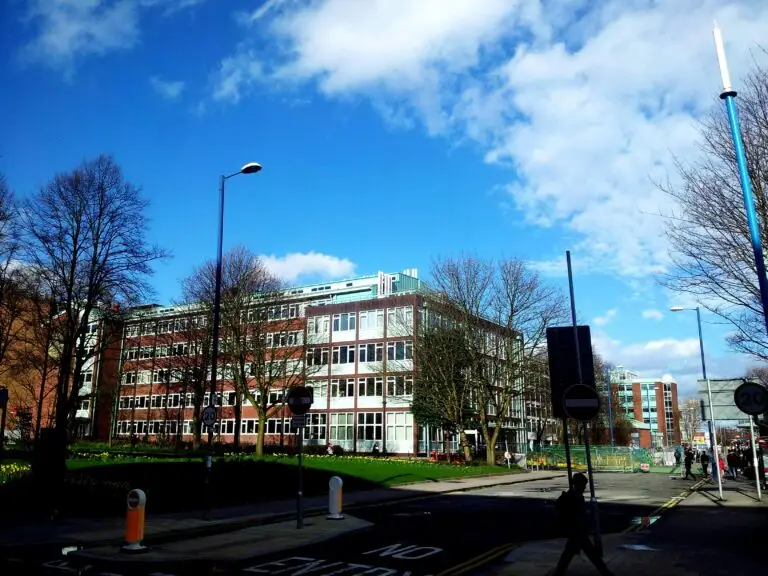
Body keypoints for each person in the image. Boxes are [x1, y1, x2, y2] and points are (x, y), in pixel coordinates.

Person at [553, 473, 614, 576]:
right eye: (583, 485)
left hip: (576, 531)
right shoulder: (575, 497)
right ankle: (606, 573)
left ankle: (559, 573)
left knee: (569, 554)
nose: (585, 487)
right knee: (591, 555)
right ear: (579, 485)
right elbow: (578, 515)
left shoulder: (574, 495)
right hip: (578, 531)